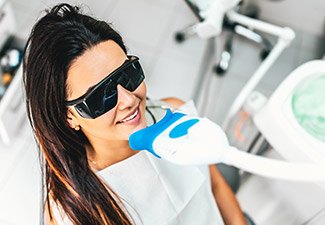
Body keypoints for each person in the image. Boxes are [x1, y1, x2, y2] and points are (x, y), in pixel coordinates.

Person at [23, 3, 247, 225]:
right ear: (68, 116)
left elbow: (215, 187)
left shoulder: (175, 113)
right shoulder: (71, 213)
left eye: (126, 74)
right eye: (100, 96)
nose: (129, 100)